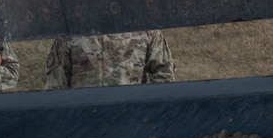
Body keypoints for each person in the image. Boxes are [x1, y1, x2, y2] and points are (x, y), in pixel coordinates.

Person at [44, 30, 175, 89]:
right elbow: (56, 87)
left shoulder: (145, 29)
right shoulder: (70, 32)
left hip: (132, 122)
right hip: (83, 124)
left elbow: (164, 77)